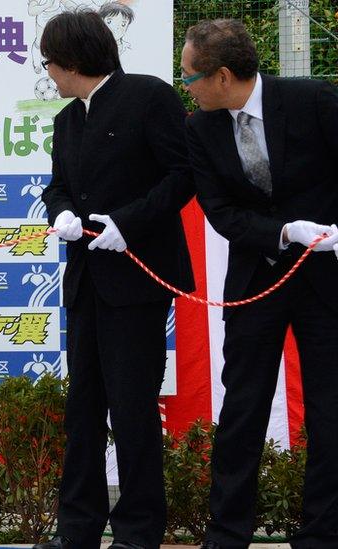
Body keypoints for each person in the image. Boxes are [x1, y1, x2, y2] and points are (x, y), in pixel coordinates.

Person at [36, 11, 195, 549]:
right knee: (82, 409)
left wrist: (128, 224)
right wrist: (58, 211)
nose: (49, 74)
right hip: (86, 282)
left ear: (74, 60)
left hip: (136, 282)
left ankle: (138, 531)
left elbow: (182, 177)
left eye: (50, 63)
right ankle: (76, 529)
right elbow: (58, 185)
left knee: (132, 409)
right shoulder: (66, 120)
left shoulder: (150, 97)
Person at [180, 19, 338, 549]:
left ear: (222, 75)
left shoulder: (313, 99)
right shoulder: (200, 128)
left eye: (191, 77)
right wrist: (283, 231)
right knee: (242, 408)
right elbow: (220, 211)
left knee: (329, 408)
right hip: (256, 281)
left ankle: (322, 532)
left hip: (326, 281)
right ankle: (227, 534)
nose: (188, 86)